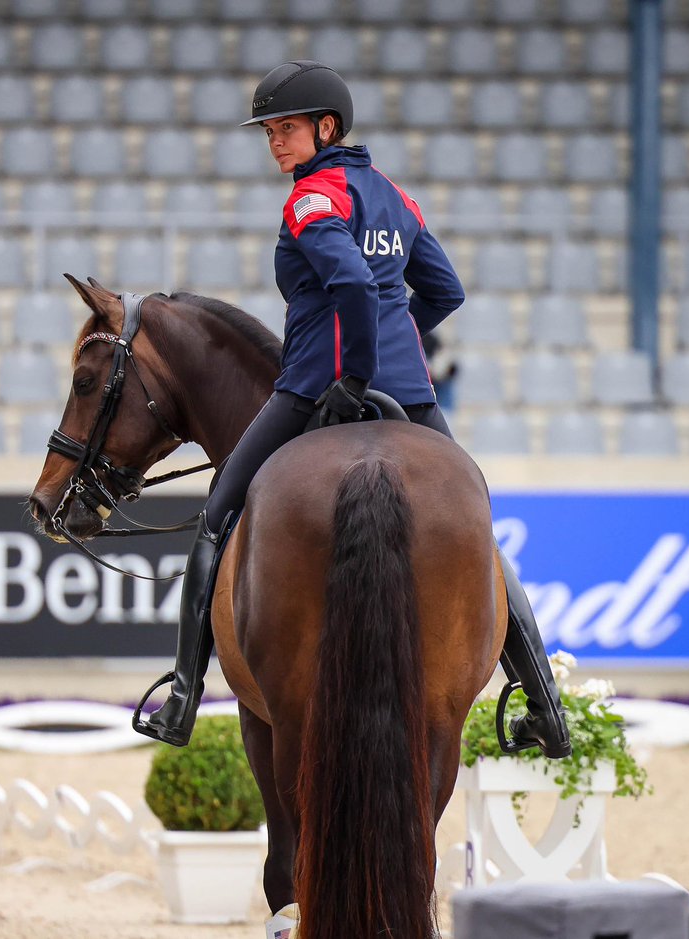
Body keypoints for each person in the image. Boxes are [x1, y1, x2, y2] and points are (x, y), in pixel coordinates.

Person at [134, 60, 571, 761]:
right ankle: (545, 705)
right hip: (412, 394)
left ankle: (183, 691)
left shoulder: (311, 200)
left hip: (313, 384)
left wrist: (354, 373)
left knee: (220, 511)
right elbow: (444, 290)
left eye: (285, 128)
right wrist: (397, 342)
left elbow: (353, 288)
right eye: (269, 131)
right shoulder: (397, 199)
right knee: (477, 533)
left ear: (325, 127)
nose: (275, 142)